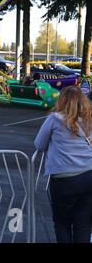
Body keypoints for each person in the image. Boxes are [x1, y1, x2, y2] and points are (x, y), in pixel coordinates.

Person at [34, 86, 92, 243]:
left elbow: (39, 144)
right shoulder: (89, 119)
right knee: (84, 224)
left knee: (62, 223)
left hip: (64, 177)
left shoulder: (54, 119)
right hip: (89, 174)